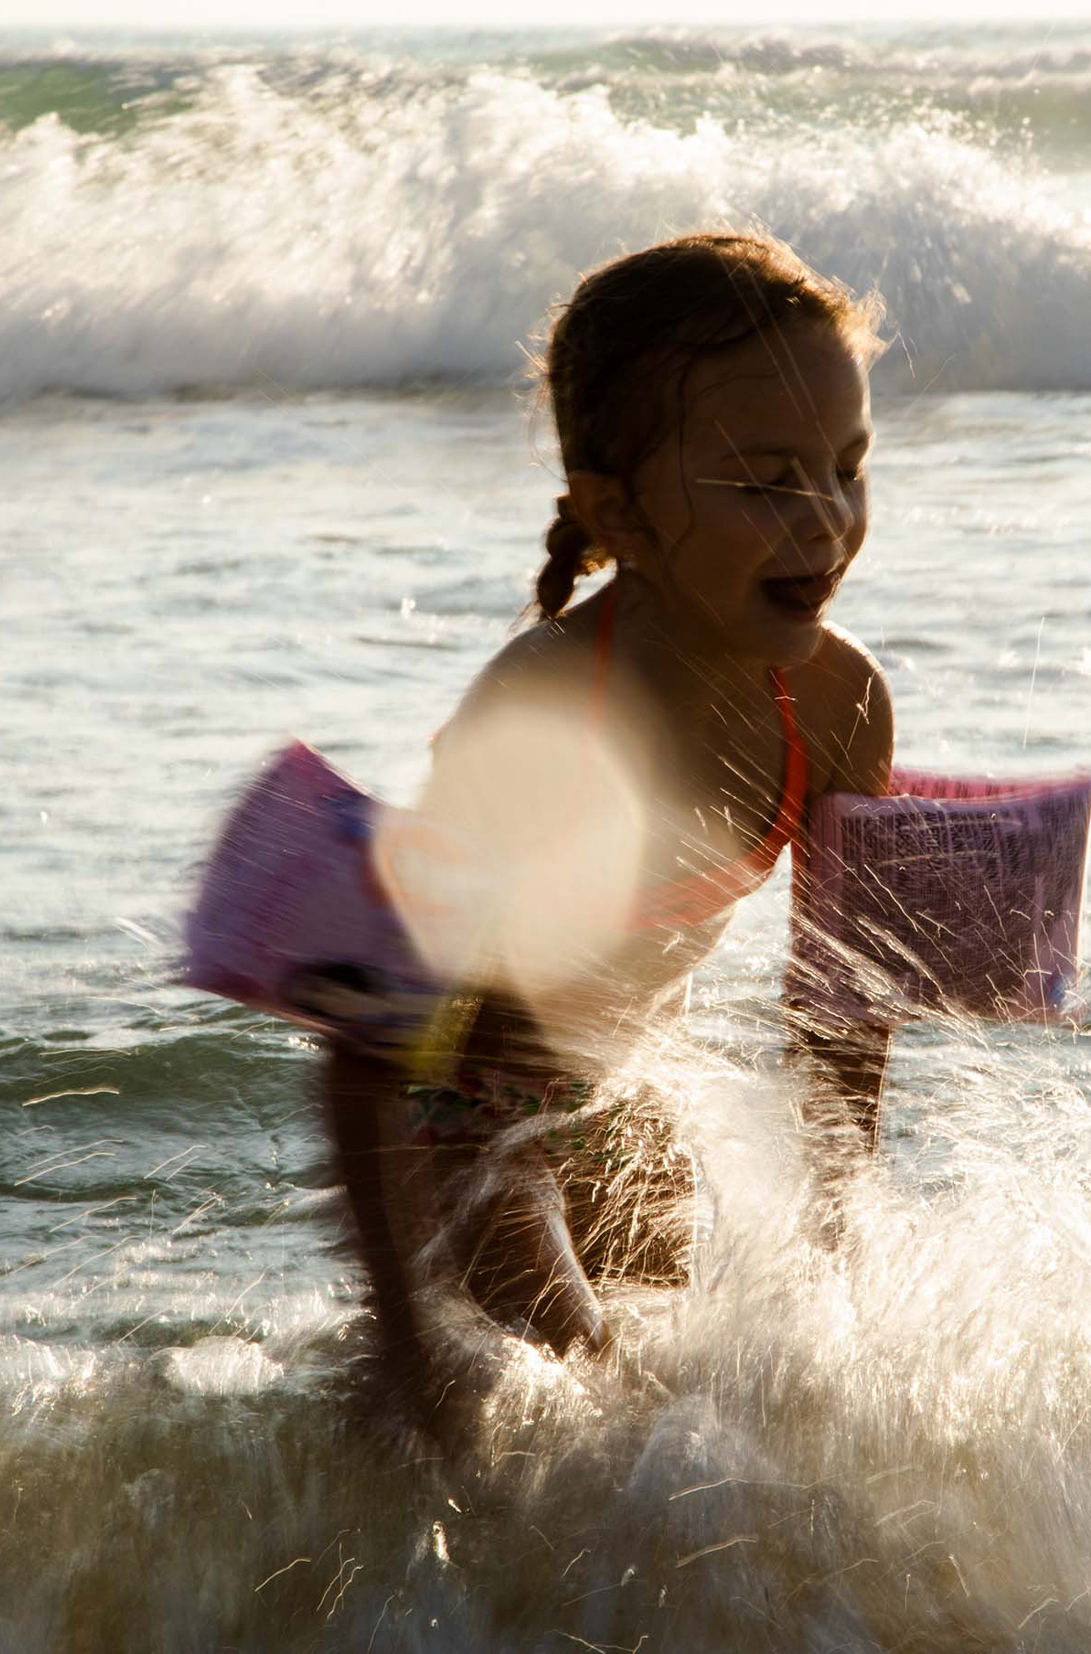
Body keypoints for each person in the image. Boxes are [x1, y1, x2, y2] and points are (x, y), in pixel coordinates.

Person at [319, 232, 896, 1433]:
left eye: (846, 468)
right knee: (587, 1399)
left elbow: (840, 1009)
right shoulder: (537, 710)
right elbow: (367, 1037)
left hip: (626, 1102)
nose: (825, 520)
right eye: (763, 481)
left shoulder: (839, 705)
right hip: (464, 1123)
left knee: (690, 1421)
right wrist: (401, 1333)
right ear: (617, 513)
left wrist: (839, 1243)